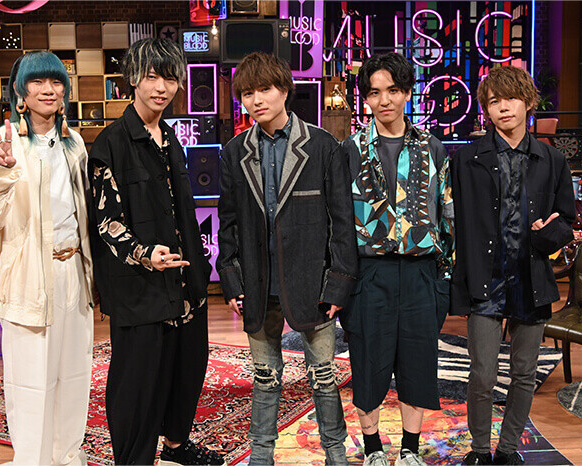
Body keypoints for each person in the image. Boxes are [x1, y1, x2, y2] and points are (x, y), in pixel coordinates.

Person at [87, 38, 224, 466]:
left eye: (170, 78)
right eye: (151, 76)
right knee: (137, 384)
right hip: (140, 285)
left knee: (186, 371)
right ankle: (134, 459)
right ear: (132, 79)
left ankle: (177, 446)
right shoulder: (110, 144)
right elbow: (106, 223)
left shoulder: (170, 139)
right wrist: (145, 253)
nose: (161, 87)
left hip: (184, 281)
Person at [217, 52, 358, 465]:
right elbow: (228, 223)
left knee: (324, 377)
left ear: (284, 90)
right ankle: (261, 457)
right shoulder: (235, 151)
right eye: (247, 93)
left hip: (312, 283)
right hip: (258, 284)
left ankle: (335, 455)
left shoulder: (321, 145)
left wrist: (338, 284)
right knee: (264, 379)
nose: (256, 100)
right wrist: (232, 281)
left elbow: (341, 222)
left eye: (264, 89)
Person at [0, 51, 94, 465]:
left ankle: (67, 455)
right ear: (21, 92)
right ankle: (32, 460)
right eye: (37, 82)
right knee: (31, 379)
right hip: (29, 274)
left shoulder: (74, 143)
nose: (48, 90)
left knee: (73, 373)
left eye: (56, 81)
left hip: (73, 270)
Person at [452, 66, 575, 465]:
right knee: (482, 375)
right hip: (484, 280)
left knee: (524, 373)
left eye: (511, 99)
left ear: (528, 103)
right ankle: (479, 450)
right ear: (486, 109)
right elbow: (453, 220)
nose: (503, 107)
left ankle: (507, 450)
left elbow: (567, 221)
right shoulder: (467, 159)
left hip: (531, 278)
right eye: (494, 101)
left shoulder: (552, 160)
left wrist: (547, 234)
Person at [340, 52, 454, 466]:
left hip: (422, 273)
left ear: (406, 92)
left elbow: (448, 214)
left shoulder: (432, 148)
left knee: (418, 364)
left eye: (392, 90)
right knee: (368, 363)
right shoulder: (349, 150)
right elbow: (338, 219)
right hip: (369, 272)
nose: (383, 100)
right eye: (374, 93)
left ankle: (409, 450)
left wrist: (445, 278)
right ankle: (373, 449)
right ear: (366, 99)